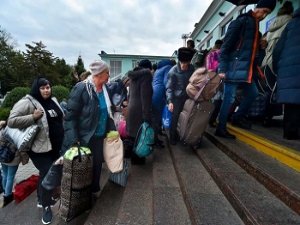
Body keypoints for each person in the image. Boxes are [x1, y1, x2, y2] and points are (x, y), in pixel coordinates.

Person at [215, 0, 276, 139]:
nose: (264, 15)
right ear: (257, 8)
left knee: (253, 93)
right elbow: (225, 48)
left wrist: (261, 49)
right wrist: (222, 69)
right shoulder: (240, 22)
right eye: (264, 11)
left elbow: (253, 57)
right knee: (228, 99)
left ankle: (237, 117)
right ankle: (221, 128)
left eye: (268, 13)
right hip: (233, 69)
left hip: (247, 72)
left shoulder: (257, 31)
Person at [7, 77, 64, 224]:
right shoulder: (28, 102)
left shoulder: (54, 100)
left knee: (49, 173)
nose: (46, 90)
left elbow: (60, 119)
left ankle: (41, 198)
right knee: (47, 173)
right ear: (37, 89)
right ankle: (46, 206)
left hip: (55, 147)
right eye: (43, 88)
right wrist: (33, 117)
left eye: (48, 87)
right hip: (39, 149)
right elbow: (11, 121)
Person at [60, 60, 114, 199]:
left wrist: (112, 131)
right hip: (84, 138)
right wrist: (74, 139)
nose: (109, 75)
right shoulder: (81, 88)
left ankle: (92, 193)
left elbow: (107, 113)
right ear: (99, 74)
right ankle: (81, 197)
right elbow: (70, 117)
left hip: (99, 137)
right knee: (83, 170)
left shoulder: (105, 88)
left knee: (96, 167)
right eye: (107, 72)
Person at [260, 1, 293, 126]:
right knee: (284, 89)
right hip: (280, 61)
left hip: (267, 62)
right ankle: (282, 119)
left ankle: (266, 117)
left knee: (270, 89)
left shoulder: (271, 26)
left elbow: (265, 45)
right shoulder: (290, 22)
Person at [273, 7, 300, 140]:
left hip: (287, 68)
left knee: (291, 100)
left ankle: (289, 132)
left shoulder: (291, 24)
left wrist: (276, 67)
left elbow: (278, 49)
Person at [166, 47, 195, 145]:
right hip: (176, 99)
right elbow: (169, 88)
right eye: (182, 63)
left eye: (186, 64)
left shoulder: (192, 69)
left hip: (188, 98)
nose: (183, 66)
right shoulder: (173, 71)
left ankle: (183, 135)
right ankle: (172, 137)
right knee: (175, 118)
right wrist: (170, 102)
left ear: (189, 62)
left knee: (186, 118)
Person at [126, 59, 153, 164]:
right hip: (140, 110)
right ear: (148, 68)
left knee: (133, 136)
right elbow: (145, 99)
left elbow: (130, 95)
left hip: (132, 109)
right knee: (141, 136)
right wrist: (147, 117)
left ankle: (134, 159)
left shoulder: (134, 76)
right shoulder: (146, 76)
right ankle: (138, 160)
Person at [0, 121, 29, 208]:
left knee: (5, 175)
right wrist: (25, 159)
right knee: (10, 177)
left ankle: (6, 192)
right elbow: (22, 148)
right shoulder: (16, 133)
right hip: (13, 159)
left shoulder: (1, 132)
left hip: (2, 157)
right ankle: (8, 196)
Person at [152, 59, 174, 147]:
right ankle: (154, 140)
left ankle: (158, 134)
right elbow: (166, 82)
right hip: (159, 94)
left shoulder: (158, 70)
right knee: (156, 118)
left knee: (155, 117)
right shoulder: (168, 67)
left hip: (154, 93)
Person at [205, 39, 223, 127]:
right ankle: (211, 120)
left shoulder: (209, 53)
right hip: (216, 79)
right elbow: (215, 68)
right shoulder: (217, 54)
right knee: (217, 100)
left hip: (209, 79)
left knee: (210, 100)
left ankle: (207, 119)